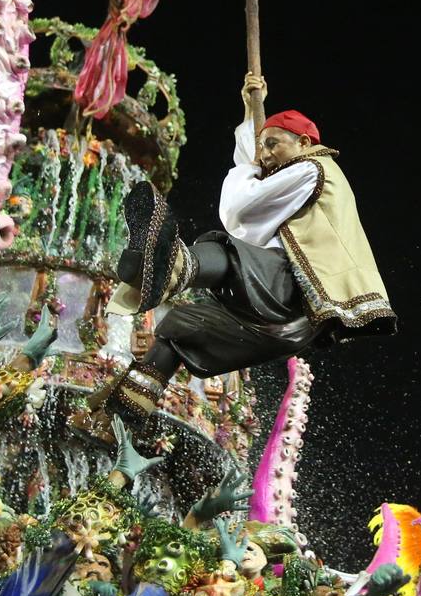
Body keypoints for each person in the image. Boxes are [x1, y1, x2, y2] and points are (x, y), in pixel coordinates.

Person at [74, 73, 395, 443]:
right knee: (180, 328)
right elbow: (253, 165)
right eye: (263, 146)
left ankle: (174, 268)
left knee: (229, 250)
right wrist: (250, 110)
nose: (266, 153)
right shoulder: (294, 175)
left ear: (304, 142)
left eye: (274, 144)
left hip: (292, 290)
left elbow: (239, 211)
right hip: (281, 326)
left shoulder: (313, 169)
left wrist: (250, 164)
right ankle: (119, 420)